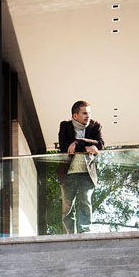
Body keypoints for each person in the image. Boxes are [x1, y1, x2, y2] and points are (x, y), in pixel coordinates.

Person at [57, 100, 104, 233]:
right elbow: (63, 146)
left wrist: (78, 141)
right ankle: (70, 234)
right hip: (68, 173)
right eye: (84, 113)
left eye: (89, 113)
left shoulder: (95, 126)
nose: (88, 116)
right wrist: (87, 145)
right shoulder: (65, 126)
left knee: (86, 203)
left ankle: (85, 232)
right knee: (67, 206)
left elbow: (100, 144)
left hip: (87, 174)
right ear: (75, 115)